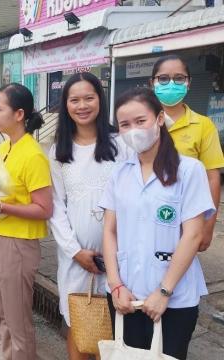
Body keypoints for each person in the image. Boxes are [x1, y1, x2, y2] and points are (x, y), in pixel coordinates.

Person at [100, 88, 214, 360]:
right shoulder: (120, 172)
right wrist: (115, 285)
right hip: (124, 295)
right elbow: (109, 231)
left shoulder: (189, 170)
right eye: (125, 125)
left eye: (141, 121)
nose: (133, 130)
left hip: (173, 299)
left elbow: (193, 235)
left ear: (160, 119)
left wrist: (164, 291)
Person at [49, 72, 130, 360]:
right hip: (76, 257)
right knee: (78, 322)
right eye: (74, 100)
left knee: (113, 326)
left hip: (120, 255)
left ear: (100, 100)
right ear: (65, 104)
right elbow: (56, 207)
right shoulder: (58, 151)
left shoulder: (122, 145)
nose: (82, 105)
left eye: (89, 98)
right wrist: (74, 251)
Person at [0, 83, 53, 360]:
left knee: (18, 321)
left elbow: (44, 208)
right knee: (3, 312)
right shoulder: (5, 147)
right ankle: (8, 354)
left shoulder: (33, 154)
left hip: (16, 244)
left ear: (19, 114)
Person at [150, 54, 224, 251]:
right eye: (163, 78)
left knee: (179, 269)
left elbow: (212, 178)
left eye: (179, 78)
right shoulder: (141, 122)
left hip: (186, 217)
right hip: (145, 213)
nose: (171, 84)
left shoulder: (203, 125)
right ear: (152, 83)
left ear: (188, 83)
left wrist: (208, 227)